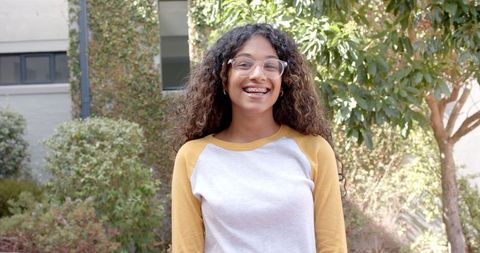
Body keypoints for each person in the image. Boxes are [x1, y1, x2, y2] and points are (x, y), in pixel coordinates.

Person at [171, 23, 347, 253]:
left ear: (284, 80)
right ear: (224, 76)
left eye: (270, 66)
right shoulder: (192, 157)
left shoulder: (314, 150)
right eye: (244, 64)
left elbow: (332, 247)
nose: (258, 75)